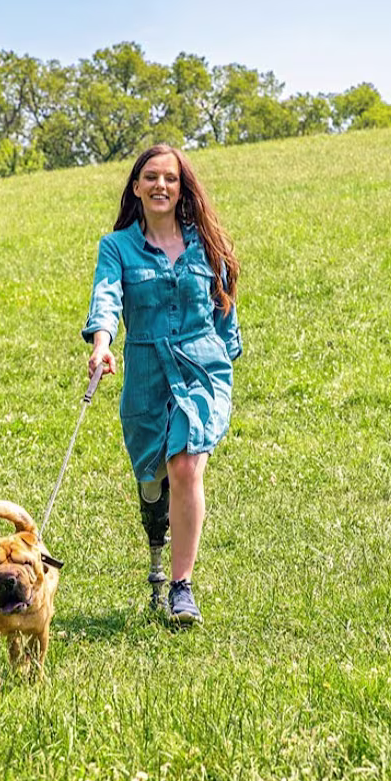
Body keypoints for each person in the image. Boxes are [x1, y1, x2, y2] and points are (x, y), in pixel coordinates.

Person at [82, 144, 242, 626]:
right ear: (136, 187)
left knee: (186, 464)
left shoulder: (206, 244)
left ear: (181, 187)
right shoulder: (117, 248)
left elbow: (224, 305)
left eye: (169, 178)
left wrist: (225, 358)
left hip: (201, 369)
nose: (160, 185)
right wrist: (101, 344)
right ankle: (156, 531)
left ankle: (181, 588)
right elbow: (106, 297)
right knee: (154, 482)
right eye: (150, 177)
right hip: (147, 375)